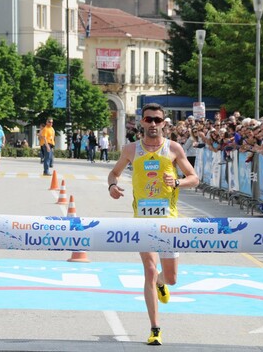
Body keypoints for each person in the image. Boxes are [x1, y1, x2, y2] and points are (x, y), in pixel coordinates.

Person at [107, 102, 199, 346]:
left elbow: (194, 178)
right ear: (142, 123)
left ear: (164, 123)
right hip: (143, 222)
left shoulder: (174, 148)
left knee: (171, 278)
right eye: (149, 120)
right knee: (148, 270)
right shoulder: (130, 149)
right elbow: (113, 173)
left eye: (158, 120)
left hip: (168, 222)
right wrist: (112, 186)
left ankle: (161, 282)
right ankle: (155, 328)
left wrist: (177, 182)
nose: (153, 124)